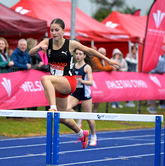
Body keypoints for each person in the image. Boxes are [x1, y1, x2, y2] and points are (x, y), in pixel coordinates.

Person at [29, 18, 121, 149]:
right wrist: (38, 47)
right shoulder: (47, 42)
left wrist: (108, 60)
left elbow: (90, 51)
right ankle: (81, 133)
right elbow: (30, 52)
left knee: (45, 79)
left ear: (63, 31)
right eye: (52, 30)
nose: (54, 33)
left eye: (57, 30)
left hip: (68, 81)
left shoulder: (70, 44)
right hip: (57, 84)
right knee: (61, 118)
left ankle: (53, 107)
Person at [67, 49, 97, 146]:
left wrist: (82, 81)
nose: (78, 56)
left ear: (84, 56)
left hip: (85, 95)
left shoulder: (87, 67)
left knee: (89, 118)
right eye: (77, 54)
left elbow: (91, 82)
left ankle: (93, 136)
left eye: (80, 54)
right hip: (75, 93)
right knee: (65, 109)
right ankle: (79, 116)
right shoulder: (73, 66)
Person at [92, 47, 114, 113]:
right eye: (101, 53)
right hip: (94, 80)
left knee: (99, 95)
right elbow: (101, 68)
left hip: (101, 81)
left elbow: (107, 67)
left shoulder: (104, 60)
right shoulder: (95, 59)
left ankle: (95, 110)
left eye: (104, 54)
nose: (103, 55)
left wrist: (110, 67)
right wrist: (111, 67)